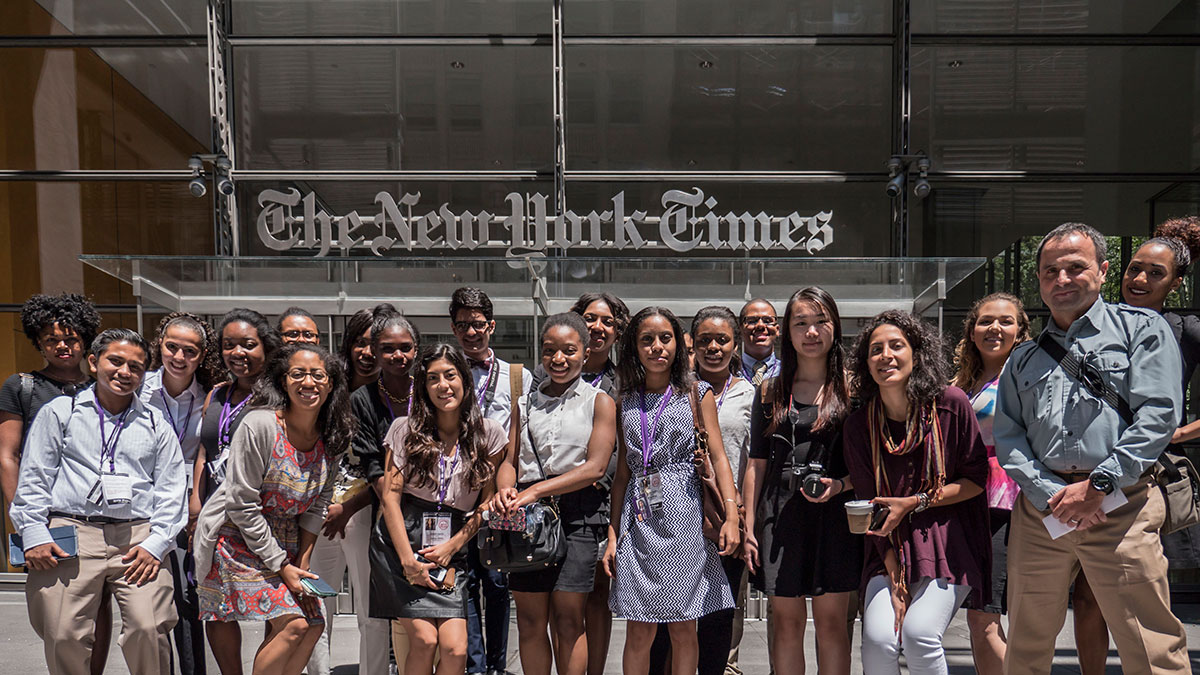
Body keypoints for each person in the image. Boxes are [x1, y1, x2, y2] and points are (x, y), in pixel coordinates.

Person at [994, 222, 1191, 674]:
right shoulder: (1023, 356)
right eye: (1049, 271)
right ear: (1038, 281)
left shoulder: (1142, 329)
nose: (1061, 280)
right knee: (1025, 642)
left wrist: (1098, 485)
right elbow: (1009, 437)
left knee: (1151, 644)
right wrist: (1051, 496)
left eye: (1075, 268)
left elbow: (1159, 416)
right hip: (1043, 513)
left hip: (1122, 505)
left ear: (1102, 271)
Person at [1056, 218, 1200, 674]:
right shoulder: (1100, 320)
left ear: (1177, 283)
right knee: (1088, 592)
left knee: (1140, 589)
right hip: (1090, 471)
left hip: (1145, 478)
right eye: (1134, 268)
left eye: (1155, 273)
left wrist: (1177, 433)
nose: (1139, 279)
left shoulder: (1188, 331)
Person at [12, 328, 187, 675]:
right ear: (94, 362)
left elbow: (171, 490)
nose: (125, 372)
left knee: (149, 629)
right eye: (116, 362)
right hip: (71, 535)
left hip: (138, 538)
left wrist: (157, 544)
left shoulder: (156, 423)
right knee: (63, 635)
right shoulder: (60, 412)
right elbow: (34, 477)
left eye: (136, 367)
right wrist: (33, 531)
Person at [843, 310, 991, 675]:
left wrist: (916, 502)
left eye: (896, 346)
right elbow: (869, 510)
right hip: (888, 546)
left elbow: (976, 479)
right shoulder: (859, 425)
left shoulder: (951, 404)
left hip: (948, 540)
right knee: (879, 639)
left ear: (916, 354)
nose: (885, 356)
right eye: (875, 349)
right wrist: (895, 579)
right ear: (866, 363)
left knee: (920, 634)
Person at [193, 343, 350, 675]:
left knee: (313, 622)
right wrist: (281, 565)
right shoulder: (260, 424)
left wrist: (302, 564)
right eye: (298, 374)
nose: (308, 382)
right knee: (295, 625)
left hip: (289, 542)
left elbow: (318, 504)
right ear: (283, 381)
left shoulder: (332, 437)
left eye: (317, 375)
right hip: (237, 538)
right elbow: (240, 504)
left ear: (330, 383)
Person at [602, 306, 739, 675]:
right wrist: (613, 534)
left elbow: (720, 459)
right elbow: (621, 476)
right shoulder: (625, 398)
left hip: (685, 518)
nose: (657, 347)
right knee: (638, 628)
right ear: (634, 347)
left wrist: (732, 517)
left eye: (666, 338)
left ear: (680, 344)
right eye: (647, 340)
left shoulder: (697, 392)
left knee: (683, 627)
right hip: (638, 519)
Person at [370, 343, 509, 675]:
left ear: (465, 379)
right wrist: (406, 560)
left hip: (453, 544)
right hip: (401, 540)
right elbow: (390, 497)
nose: (443, 386)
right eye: (433, 378)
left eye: (450, 375)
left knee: (456, 648)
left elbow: (486, 504)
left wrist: (453, 545)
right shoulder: (404, 429)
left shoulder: (489, 434)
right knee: (424, 641)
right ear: (423, 386)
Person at [742, 288, 860, 675]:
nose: (811, 332)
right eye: (801, 323)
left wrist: (840, 486)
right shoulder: (771, 391)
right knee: (787, 624)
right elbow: (757, 463)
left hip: (836, 517)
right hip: (781, 516)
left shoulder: (854, 389)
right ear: (787, 333)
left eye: (820, 321)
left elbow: (867, 463)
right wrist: (748, 526)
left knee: (831, 624)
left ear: (835, 327)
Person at [492, 312, 616, 675]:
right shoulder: (524, 403)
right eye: (549, 351)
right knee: (530, 622)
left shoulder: (600, 401)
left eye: (568, 350)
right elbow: (509, 460)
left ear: (586, 350)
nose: (558, 359)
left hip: (578, 514)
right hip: (527, 520)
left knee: (568, 620)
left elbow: (595, 466)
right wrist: (505, 488)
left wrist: (534, 492)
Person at [309, 307, 417, 675]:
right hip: (319, 509)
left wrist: (351, 506)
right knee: (316, 599)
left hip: (364, 512)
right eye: (361, 342)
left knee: (369, 607)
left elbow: (385, 472)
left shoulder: (402, 395)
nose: (368, 352)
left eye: (377, 343)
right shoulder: (326, 386)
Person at [0, 293, 103, 671]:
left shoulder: (105, 386)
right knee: (57, 620)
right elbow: (8, 456)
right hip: (46, 517)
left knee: (98, 614)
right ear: (37, 342)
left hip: (98, 518)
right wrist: (26, 525)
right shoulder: (22, 386)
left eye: (72, 338)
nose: (62, 346)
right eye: (50, 339)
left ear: (86, 340)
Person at [193, 308, 281, 673]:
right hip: (215, 512)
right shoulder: (217, 394)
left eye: (248, 344)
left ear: (266, 347)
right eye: (229, 345)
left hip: (261, 512)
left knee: (275, 605)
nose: (238, 353)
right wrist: (195, 506)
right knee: (216, 604)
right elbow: (204, 451)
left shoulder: (277, 397)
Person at [449, 287, 530, 675]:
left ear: (491, 326)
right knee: (463, 584)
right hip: (456, 496)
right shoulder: (445, 374)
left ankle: (497, 665)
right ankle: (474, 666)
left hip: (500, 494)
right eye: (462, 325)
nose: (470, 332)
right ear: (454, 328)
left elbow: (521, 441)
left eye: (477, 324)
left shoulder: (518, 377)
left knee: (498, 582)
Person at [950, 294, 1029, 675]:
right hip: (968, 502)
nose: (995, 328)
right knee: (980, 620)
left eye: (1005, 321)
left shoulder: (1027, 378)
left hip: (1008, 504)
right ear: (972, 330)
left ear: (1020, 330)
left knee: (986, 617)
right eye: (985, 321)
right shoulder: (964, 381)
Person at [141, 312, 220, 675]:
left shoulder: (209, 399)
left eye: (189, 351)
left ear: (201, 356)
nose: (179, 357)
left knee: (190, 601)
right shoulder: (136, 391)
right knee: (151, 605)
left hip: (191, 506)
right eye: (172, 347)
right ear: (160, 346)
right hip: (144, 508)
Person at [568, 292, 629, 675]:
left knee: (597, 597)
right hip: (555, 502)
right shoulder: (549, 374)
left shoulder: (625, 382)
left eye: (608, 322)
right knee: (563, 602)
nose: (598, 328)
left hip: (601, 501)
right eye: (590, 318)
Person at [738, 299, 780, 386]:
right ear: (740, 330)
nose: (760, 325)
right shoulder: (729, 372)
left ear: (777, 330)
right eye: (752, 321)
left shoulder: (789, 372)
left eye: (767, 321)